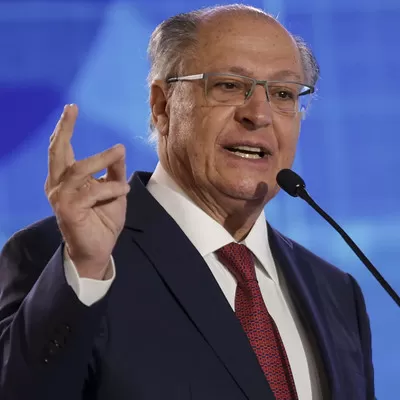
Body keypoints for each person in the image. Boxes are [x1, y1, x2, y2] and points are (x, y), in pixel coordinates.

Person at [0, 4, 374, 400]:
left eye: (283, 93)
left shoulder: (336, 293)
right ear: (162, 105)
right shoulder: (67, 261)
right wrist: (85, 269)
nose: (259, 114)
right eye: (229, 85)